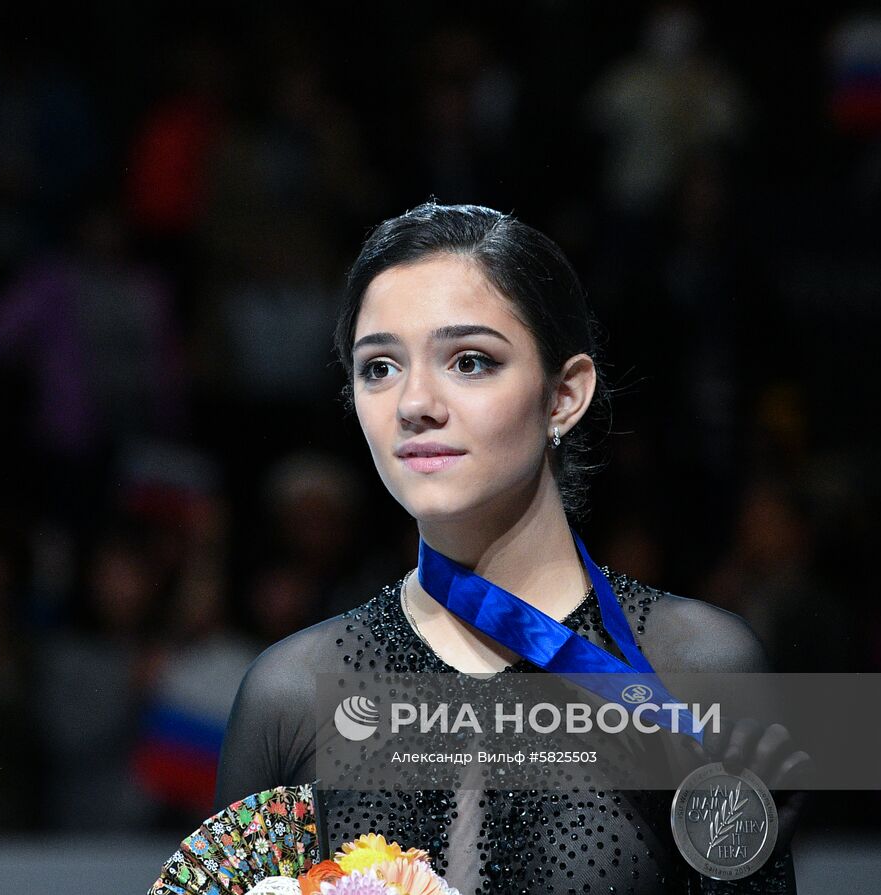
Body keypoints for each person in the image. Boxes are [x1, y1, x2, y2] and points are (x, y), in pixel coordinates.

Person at [212, 202, 806, 893]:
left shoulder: (694, 671)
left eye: (469, 361)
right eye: (379, 367)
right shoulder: (289, 695)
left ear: (564, 395)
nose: (414, 402)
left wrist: (741, 864)